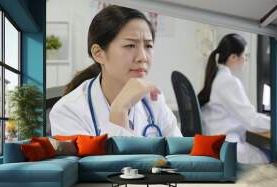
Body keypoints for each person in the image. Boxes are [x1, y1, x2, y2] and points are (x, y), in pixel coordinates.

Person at [50, 5, 181, 137]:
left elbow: (181, 155)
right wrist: (119, 111)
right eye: (130, 45)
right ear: (98, 53)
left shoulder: (153, 101)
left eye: (148, 45)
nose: (142, 57)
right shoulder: (68, 111)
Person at [198, 33, 271, 164]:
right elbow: (251, 121)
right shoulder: (228, 81)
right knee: (269, 158)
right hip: (226, 147)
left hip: (216, 145)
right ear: (233, 57)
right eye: (245, 56)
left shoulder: (216, 77)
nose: (245, 61)